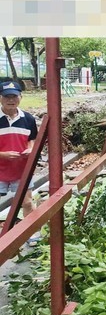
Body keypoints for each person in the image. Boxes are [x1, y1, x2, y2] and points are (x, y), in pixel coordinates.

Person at [0, 81, 39, 245]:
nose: (11, 100)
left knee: (27, 202)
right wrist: (3, 155)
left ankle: (33, 233)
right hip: (0, 171)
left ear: (20, 97)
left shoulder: (28, 119)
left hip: (22, 170)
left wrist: (30, 149)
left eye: (14, 96)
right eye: (7, 96)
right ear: (0, 98)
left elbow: (33, 140)